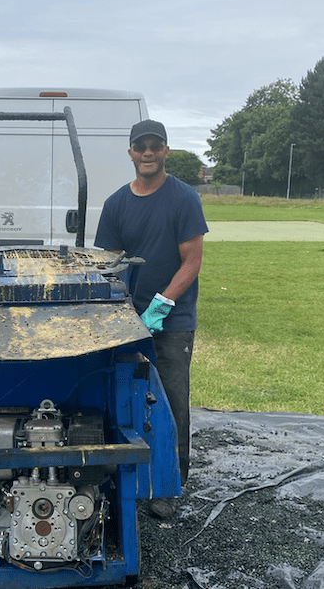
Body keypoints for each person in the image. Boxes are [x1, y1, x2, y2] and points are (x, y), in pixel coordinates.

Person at [94, 119, 208, 518]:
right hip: (128, 319)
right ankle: (121, 474)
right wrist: (118, 311)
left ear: (165, 151)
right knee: (119, 394)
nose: (147, 152)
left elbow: (191, 261)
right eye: (140, 146)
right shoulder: (116, 204)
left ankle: (168, 485)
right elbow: (109, 264)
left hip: (171, 322)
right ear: (130, 153)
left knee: (171, 401)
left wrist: (161, 306)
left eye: (155, 145)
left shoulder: (183, 198)